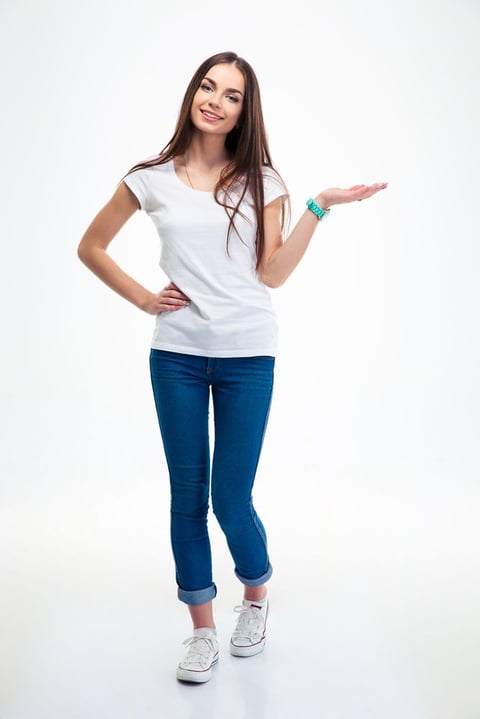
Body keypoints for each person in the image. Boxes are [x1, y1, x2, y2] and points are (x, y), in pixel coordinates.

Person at [78, 50, 387, 684]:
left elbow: (271, 273)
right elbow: (91, 246)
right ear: (193, 92)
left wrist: (319, 207)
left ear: (246, 111)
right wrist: (143, 297)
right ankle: (201, 633)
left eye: (233, 95)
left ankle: (256, 596)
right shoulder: (150, 178)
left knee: (230, 496)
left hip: (249, 353)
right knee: (187, 498)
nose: (215, 100)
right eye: (208, 86)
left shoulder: (262, 181)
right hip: (178, 357)